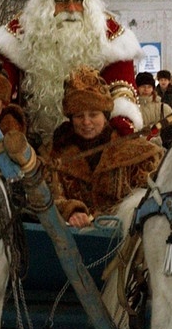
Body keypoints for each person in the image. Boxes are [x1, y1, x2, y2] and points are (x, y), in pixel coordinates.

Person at [0, 0, 143, 150]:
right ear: (44, 4)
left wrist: (117, 132)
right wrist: (9, 124)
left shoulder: (112, 37)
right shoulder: (15, 36)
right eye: (62, 1)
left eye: (79, 1)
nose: (72, 9)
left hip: (93, 148)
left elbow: (123, 92)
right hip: (27, 149)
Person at [43, 66, 163, 227]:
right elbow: (47, 194)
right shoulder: (56, 153)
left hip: (123, 240)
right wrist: (71, 210)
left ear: (106, 116)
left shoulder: (138, 153)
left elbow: (150, 195)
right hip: (72, 241)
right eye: (79, 116)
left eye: (93, 115)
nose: (86, 122)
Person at [135, 71, 172, 148]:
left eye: (149, 87)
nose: (146, 89)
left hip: (161, 149)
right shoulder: (131, 108)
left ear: (153, 88)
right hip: (137, 149)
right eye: (143, 86)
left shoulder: (163, 108)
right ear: (138, 88)